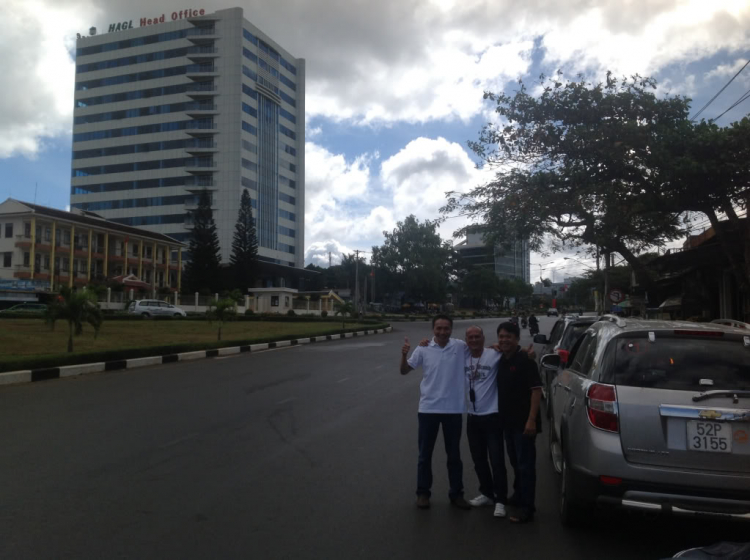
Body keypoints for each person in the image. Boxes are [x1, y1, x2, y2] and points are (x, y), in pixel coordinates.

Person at [400, 314, 471, 510]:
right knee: (424, 455)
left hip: (453, 410)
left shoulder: (460, 346)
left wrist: (497, 348)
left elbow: (479, 350)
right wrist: (404, 354)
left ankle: (456, 494)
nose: (442, 332)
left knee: (454, 455)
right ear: (433, 329)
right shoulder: (423, 347)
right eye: (438, 328)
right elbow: (404, 370)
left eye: (446, 328)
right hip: (428, 409)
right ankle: (423, 493)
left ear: (451, 329)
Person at [495, 321, 543, 523]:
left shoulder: (525, 361)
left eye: (509, 337)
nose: (505, 340)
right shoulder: (502, 359)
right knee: (515, 462)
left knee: (525, 465)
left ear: (517, 339)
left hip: (524, 424)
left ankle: (527, 507)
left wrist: (531, 420)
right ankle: (518, 495)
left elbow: (536, 390)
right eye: (502, 336)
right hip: (508, 422)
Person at [462, 326, 508, 518]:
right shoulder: (462, 357)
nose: (474, 340)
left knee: (496, 460)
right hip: (472, 417)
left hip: (492, 416)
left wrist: (527, 353)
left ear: (483, 338)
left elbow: (514, 352)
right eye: (470, 337)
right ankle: (487, 493)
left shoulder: (494, 354)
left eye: (477, 337)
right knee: (478, 459)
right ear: (466, 340)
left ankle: (501, 500)